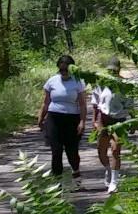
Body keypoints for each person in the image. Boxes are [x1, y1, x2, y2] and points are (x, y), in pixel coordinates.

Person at [37, 53, 88, 190]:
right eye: (61, 69)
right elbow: (46, 102)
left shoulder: (78, 82)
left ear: (72, 69)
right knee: (56, 150)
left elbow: (83, 104)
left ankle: (77, 178)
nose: (64, 72)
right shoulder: (52, 81)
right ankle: (57, 183)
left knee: (72, 151)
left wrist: (82, 122)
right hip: (54, 117)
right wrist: (41, 118)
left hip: (72, 118)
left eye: (66, 69)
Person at [92, 57, 130, 193]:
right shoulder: (101, 84)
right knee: (101, 149)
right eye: (110, 71)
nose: (112, 73)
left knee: (115, 150)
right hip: (104, 118)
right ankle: (108, 169)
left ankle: (114, 182)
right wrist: (95, 120)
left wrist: (133, 121)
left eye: (114, 71)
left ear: (119, 70)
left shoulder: (124, 85)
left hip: (119, 119)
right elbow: (95, 103)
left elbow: (129, 104)